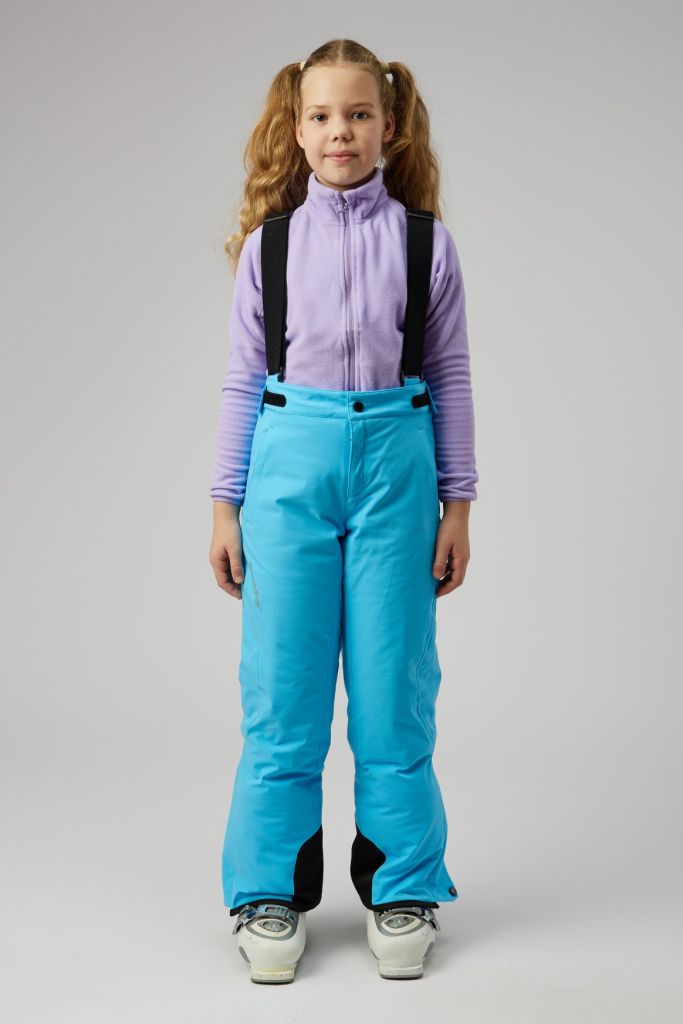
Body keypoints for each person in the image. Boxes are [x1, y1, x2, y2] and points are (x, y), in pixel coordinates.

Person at [208, 39, 479, 984]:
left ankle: (403, 883)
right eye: (321, 116)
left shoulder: (424, 242)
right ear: (296, 130)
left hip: (396, 469)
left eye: (358, 115)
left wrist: (458, 504)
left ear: (388, 127)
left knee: (394, 691)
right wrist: (224, 505)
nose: (340, 132)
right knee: (281, 693)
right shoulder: (271, 247)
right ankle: (266, 891)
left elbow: (449, 375)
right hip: (289, 466)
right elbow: (243, 380)